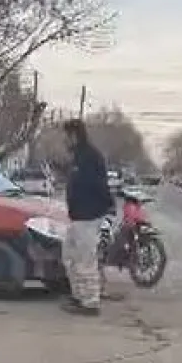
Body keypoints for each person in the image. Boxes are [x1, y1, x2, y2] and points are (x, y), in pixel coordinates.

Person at [60, 118, 115, 316]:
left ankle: (90, 302)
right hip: (78, 216)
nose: (64, 140)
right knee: (69, 257)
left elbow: (98, 185)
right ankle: (78, 296)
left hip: (89, 215)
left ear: (74, 135)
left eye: (66, 136)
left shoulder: (90, 157)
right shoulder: (78, 157)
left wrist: (106, 206)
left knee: (85, 259)